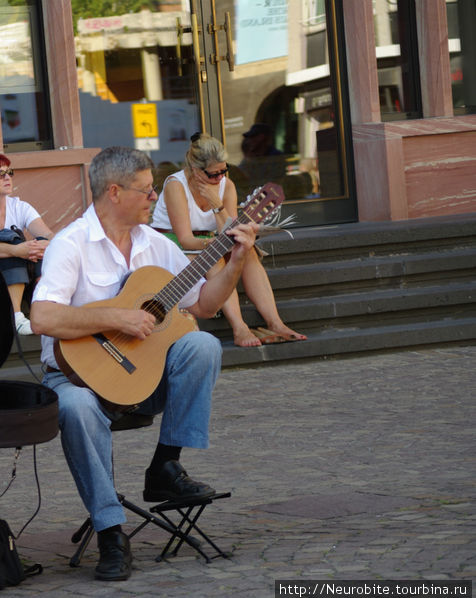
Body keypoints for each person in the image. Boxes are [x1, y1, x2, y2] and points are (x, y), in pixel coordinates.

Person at [29, 146, 260, 581]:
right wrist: (116, 317)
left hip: (142, 380)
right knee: (74, 407)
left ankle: (165, 467)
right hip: (77, 377)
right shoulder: (71, 245)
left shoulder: (156, 245)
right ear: (114, 192)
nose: (155, 196)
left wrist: (236, 260)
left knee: (202, 345)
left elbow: (205, 304)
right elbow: (42, 317)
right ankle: (110, 530)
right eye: (147, 190)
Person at [150, 133, 306, 347]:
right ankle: (240, 328)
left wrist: (217, 205)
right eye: (214, 174)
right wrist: (218, 243)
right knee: (215, 259)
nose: (220, 177)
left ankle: (275, 322)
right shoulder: (175, 185)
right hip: (174, 243)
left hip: (210, 240)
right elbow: (186, 239)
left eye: (224, 170)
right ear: (195, 170)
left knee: (247, 252)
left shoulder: (226, 185)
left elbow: (231, 229)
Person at [0, 151, 54, 335]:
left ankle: (44, 308)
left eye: (9, 172)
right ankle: (17, 316)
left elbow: (47, 233)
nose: (7, 178)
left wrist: (44, 244)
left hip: (24, 273)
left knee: (41, 244)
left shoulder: (20, 206)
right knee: (8, 237)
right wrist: (17, 250)